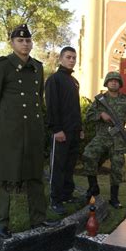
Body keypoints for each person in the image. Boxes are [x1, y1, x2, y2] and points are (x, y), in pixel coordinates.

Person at [0, 24, 59, 239]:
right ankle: (0, 223)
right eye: (20, 40)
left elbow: (37, 98)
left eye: (28, 40)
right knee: (2, 177)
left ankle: (38, 218)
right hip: (8, 132)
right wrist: (4, 120)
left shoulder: (37, 67)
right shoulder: (2, 65)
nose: (25, 44)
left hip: (32, 131)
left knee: (35, 176)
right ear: (12, 43)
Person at [82, 71, 126, 209]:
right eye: (111, 80)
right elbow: (88, 116)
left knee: (117, 166)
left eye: (116, 80)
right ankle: (93, 188)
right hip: (102, 136)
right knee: (88, 155)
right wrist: (100, 114)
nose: (113, 82)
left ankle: (114, 198)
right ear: (106, 83)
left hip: (118, 138)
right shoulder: (100, 99)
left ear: (120, 84)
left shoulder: (125, 100)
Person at [44, 46, 83, 215]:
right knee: (58, 167)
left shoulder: (73, 81)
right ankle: (55, 199)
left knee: (69, 166)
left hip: (74, 132)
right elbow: (52, 106)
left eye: (74, 57)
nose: (72, 60)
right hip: (61, 132)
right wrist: (56, 129)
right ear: (60, 59)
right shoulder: (54, 79)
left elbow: (75, 108)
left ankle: (67, 195)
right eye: (68, 57)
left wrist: (80, 129)